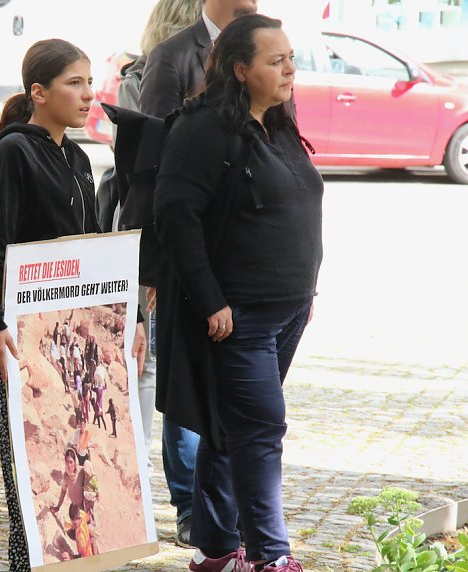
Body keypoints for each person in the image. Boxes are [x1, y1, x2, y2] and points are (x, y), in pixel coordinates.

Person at [154, 14, 321, 572]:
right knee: (260, 432)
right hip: (239, 314)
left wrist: (305, 290)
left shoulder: (277, 120)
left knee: (232, 430)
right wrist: (210, 300)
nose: (289, 69)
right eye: (276, 61)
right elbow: (176, 218)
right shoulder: (203, 129)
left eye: (291, 57)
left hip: (288, 307)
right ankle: (272, 557)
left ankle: (217, 548)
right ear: (240, 69)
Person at [0, 38, 146, 571]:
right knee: (31, 479)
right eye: (75, 82)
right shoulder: (13, 150)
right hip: (21, 333)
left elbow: (92, 249)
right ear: (38, 92)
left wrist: (126, 318)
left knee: (76, 474)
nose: (88, 94)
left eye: (90, 82)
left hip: (71, 333)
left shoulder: (76, 156)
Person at [140, 0, 259, 550]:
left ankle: (220, 507)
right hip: (188, 256)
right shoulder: (172, 56)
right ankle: (189, 505)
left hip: (240, 262)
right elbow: (154, 162)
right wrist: (154, 266)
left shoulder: (266, 49)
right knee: (184, 381)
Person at [109, 0, 203, 484]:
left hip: (186, 239)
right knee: (149, 362)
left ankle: (171, 485)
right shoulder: (143, 78)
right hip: (153, 238)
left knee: (170, 362)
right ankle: (141, 478)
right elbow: (142, 168)